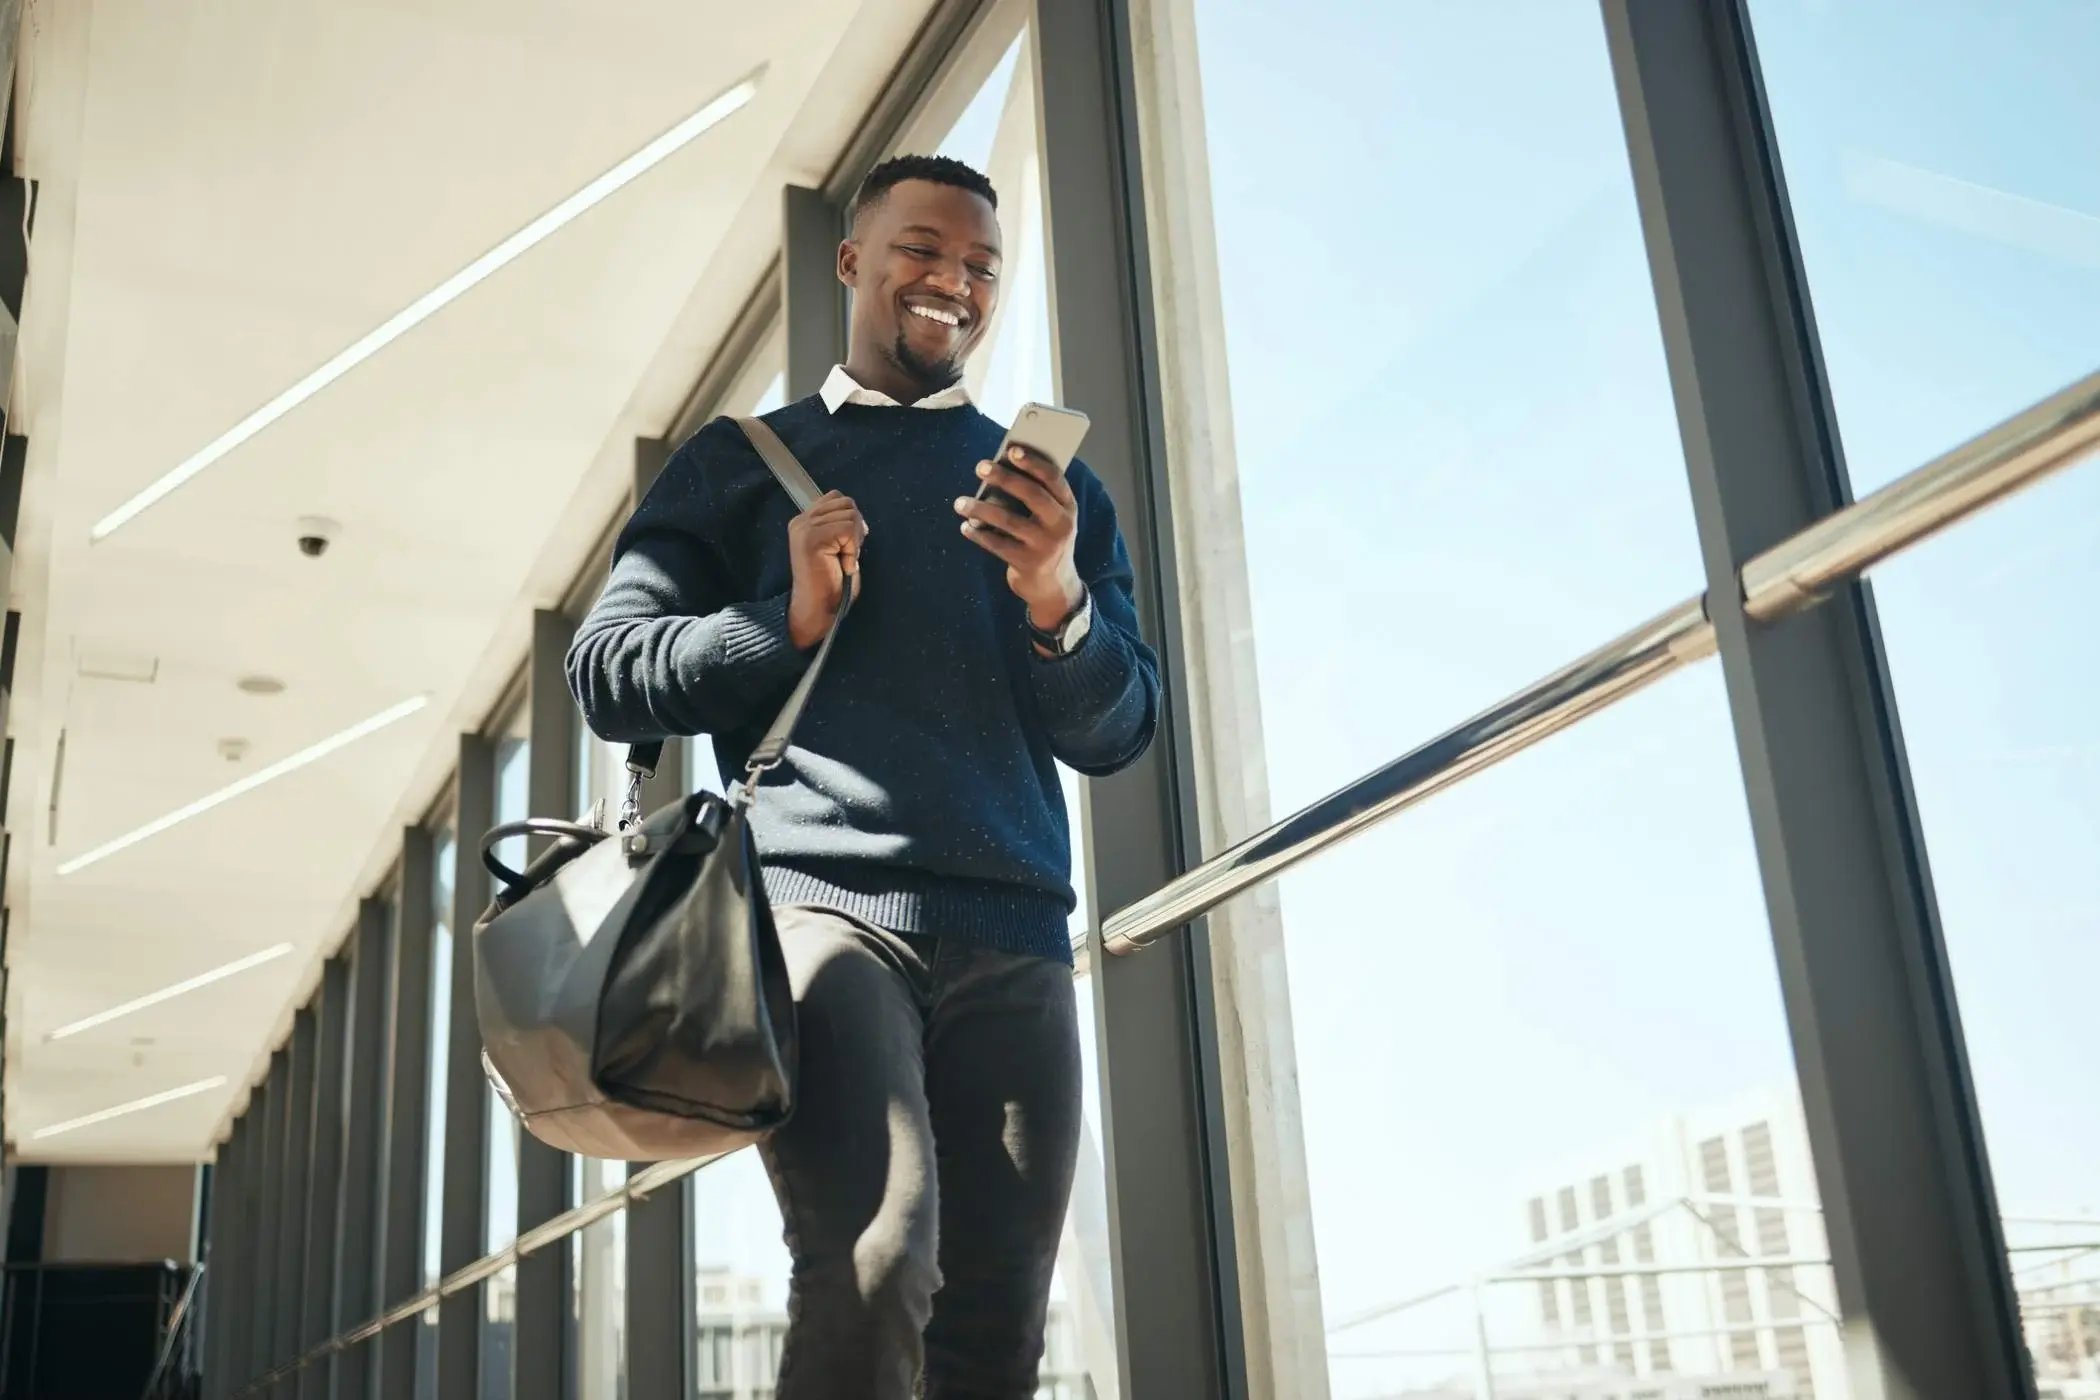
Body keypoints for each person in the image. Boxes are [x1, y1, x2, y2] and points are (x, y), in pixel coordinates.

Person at [566, 153, 1159, 1398]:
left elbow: (1118, 728)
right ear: (850, 260)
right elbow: (607, 668)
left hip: (1015, 933)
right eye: (923, 250)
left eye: (981, 267)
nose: (953, 281)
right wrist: (777, 620)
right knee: (876, 1260)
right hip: (814, 914)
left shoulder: (1055, 495)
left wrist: (1058, 604)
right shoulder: (738, 464)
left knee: (996, 1328)